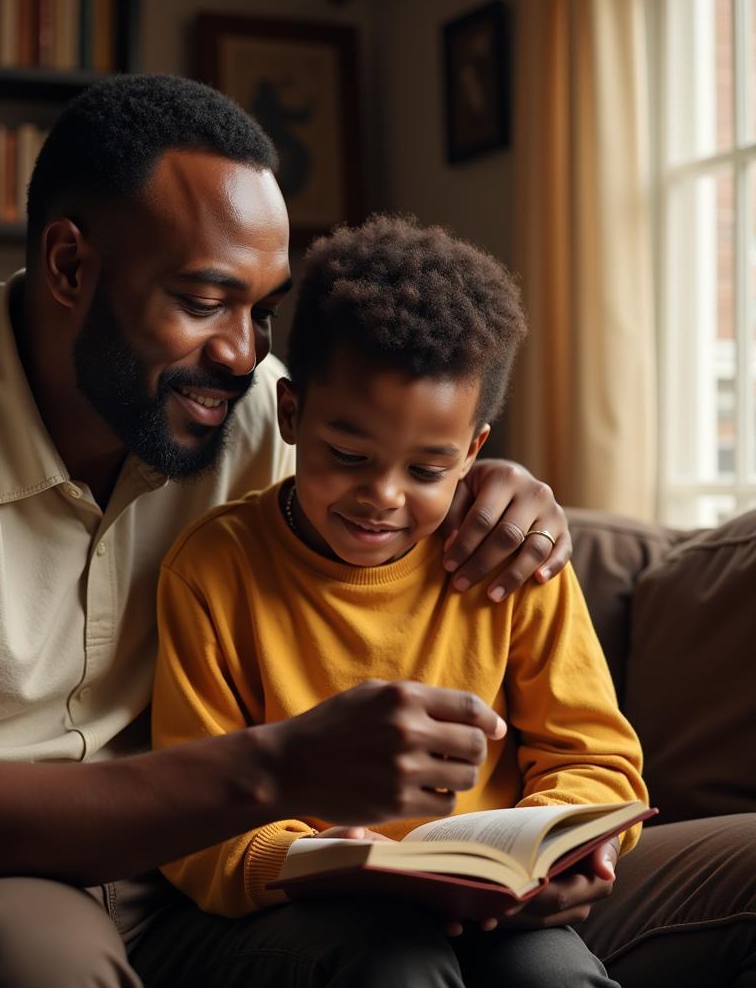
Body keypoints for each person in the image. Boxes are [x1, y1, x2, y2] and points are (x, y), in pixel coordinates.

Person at [0, 74, 749, 987]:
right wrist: (279, 767)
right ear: (68, 263)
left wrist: (505, 486)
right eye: (203, 299)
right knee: (30, 948)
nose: (241, 352)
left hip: (179, 868)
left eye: (261, 310)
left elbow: (389, 454)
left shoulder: (250, 397)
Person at [150, 215, 645, 987]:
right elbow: (192, 818)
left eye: (426, 470)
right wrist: (318, 859)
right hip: (316, 909)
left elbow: (597, 759)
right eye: (348, 456)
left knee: (556, 980)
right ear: (291, 415)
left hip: (497, 904)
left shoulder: (511, 562)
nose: (380, 496)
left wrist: (574, 843)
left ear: (474, 452)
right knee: (396, 968)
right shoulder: (214, 571)